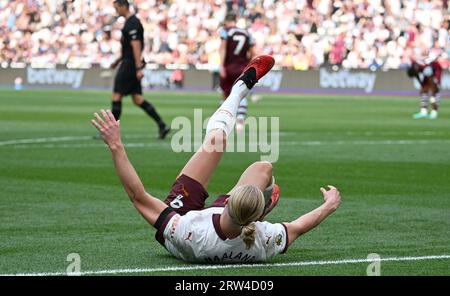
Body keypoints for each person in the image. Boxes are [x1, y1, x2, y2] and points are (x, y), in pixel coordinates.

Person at [91, 55, 341, 263]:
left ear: (228, 200)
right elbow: (298, 227)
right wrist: (328, 205)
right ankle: (241, 89)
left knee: (216, 141)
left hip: (186, 219)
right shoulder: (261, 239)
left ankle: (237, 91)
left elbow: (139, 196)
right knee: (264, 168)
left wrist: (115, 144)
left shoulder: (187, 231)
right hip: (234, 222)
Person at [110, 0, 170, 139]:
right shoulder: (130, 22)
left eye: (117, 8)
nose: (116, 11)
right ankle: (161, 125)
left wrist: (137, 67)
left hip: (130, 65)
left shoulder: (132, 23)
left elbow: (136, 46)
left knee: (116, 95)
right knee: (137, 99)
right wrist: (117, 61)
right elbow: (129, 48)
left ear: (124, 6)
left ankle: (111, 133)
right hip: (129, 62)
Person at [219, 12, 256, 133]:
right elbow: (251, 53)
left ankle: (224, 122)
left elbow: (223, 48)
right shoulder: (247, 33)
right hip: (242, 67)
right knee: (240, 93)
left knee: (225, 94)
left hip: (229, 66)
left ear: (227, 21)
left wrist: (221, 65)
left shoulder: (225, 31)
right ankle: (240, 121)